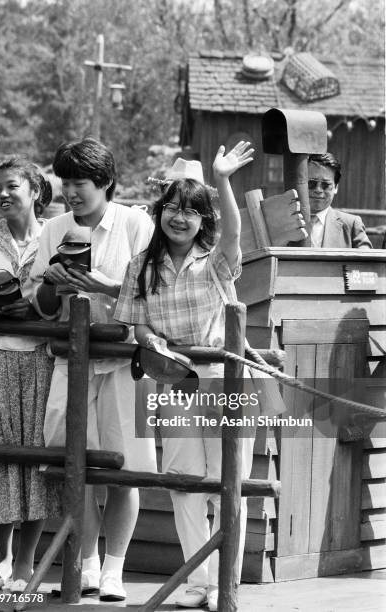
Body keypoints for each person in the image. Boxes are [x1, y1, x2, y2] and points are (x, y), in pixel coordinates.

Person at [115, 142, 255, 611]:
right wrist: (148, 338)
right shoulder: (140, 266)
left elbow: (235, 231)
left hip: (223, 381)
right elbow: (136, 321)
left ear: (202, 220)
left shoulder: (216, 259)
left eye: (190, 211)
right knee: (182, 482)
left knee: (227, 480)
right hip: (173, 384)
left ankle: (226, 586)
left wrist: (223, 181)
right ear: (160, 212)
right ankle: (199, 583)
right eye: (172, 208)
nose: (179, 218)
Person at [30, 137, 157, 602]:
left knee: (126, 467)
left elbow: (154, 295)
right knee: (71, 464)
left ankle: (115, 571)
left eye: (79, 182)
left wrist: (105, 285)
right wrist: (52, 284)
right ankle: (86, 563)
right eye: (65, 183)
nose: (70, 192)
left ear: (104, 182)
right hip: (69, 357)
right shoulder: (54, 228)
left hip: (124, 362)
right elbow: (41, 306)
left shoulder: (137, 224)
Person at [0, 156, 56, 592]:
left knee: (38, 456)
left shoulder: (56, 236)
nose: (3, 195)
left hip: (44, 356)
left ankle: (26, 562)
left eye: (11, 186)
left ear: (34, 190)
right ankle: (1, 558)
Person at [307, 152, 372, 248]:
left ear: (336, 187)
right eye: (311, 183)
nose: (318, 190)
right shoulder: (283, 222)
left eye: (325, 185)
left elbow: (367, 261)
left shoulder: (351, 225)